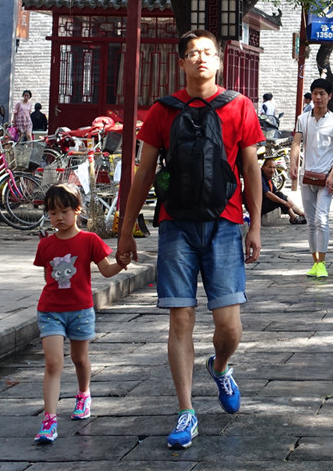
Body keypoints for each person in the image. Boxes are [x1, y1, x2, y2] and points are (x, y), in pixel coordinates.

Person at [116, 30, 263, 449]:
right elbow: (143, 173)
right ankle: (186, 410)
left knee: (229, 326)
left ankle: (219, 366)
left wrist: (254, 224)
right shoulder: (163, 111)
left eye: (208, 53)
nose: (200, 59)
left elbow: (251, 170)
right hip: (176, 225)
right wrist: (126, 231)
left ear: (219, 62)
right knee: (180, 319)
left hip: (224, 224)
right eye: (193, 54)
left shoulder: (240, 107)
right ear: (181, 63)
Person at [33, 183, 124, 443]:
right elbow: (48, 278)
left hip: (81, 311)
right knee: (53, 363)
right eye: (52, 213)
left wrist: (122, 262)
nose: (58, 218)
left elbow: (106, 270)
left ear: (77, 210)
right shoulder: (46, 245)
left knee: (79, 359)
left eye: (64, 211)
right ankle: (49, 420)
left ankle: (83, 394)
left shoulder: (89, 240)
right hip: (50, 311)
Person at [290, 78, 333, 276]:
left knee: (322, 218)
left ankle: (322, 261)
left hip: (325, 176)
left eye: (322, 94)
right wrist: (293, 165)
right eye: (315, 94)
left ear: (329, 96)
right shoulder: (303, 119)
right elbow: (296, 143)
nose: (318, 97)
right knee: (311, 221)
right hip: (307, 175)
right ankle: (315, 262)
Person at [260, 158, 305, 223]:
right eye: (270, 167)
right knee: (280, 198)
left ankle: (301, 214)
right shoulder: (260, 177)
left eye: (274, 168)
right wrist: (284, 202)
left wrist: (285, 201)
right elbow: (268, 194)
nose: (272, 170)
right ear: (263, 167)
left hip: (264, 201)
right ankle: (294, 218)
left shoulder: (268, 177)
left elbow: (275, 192)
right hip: (258, 206)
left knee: (281, 196)